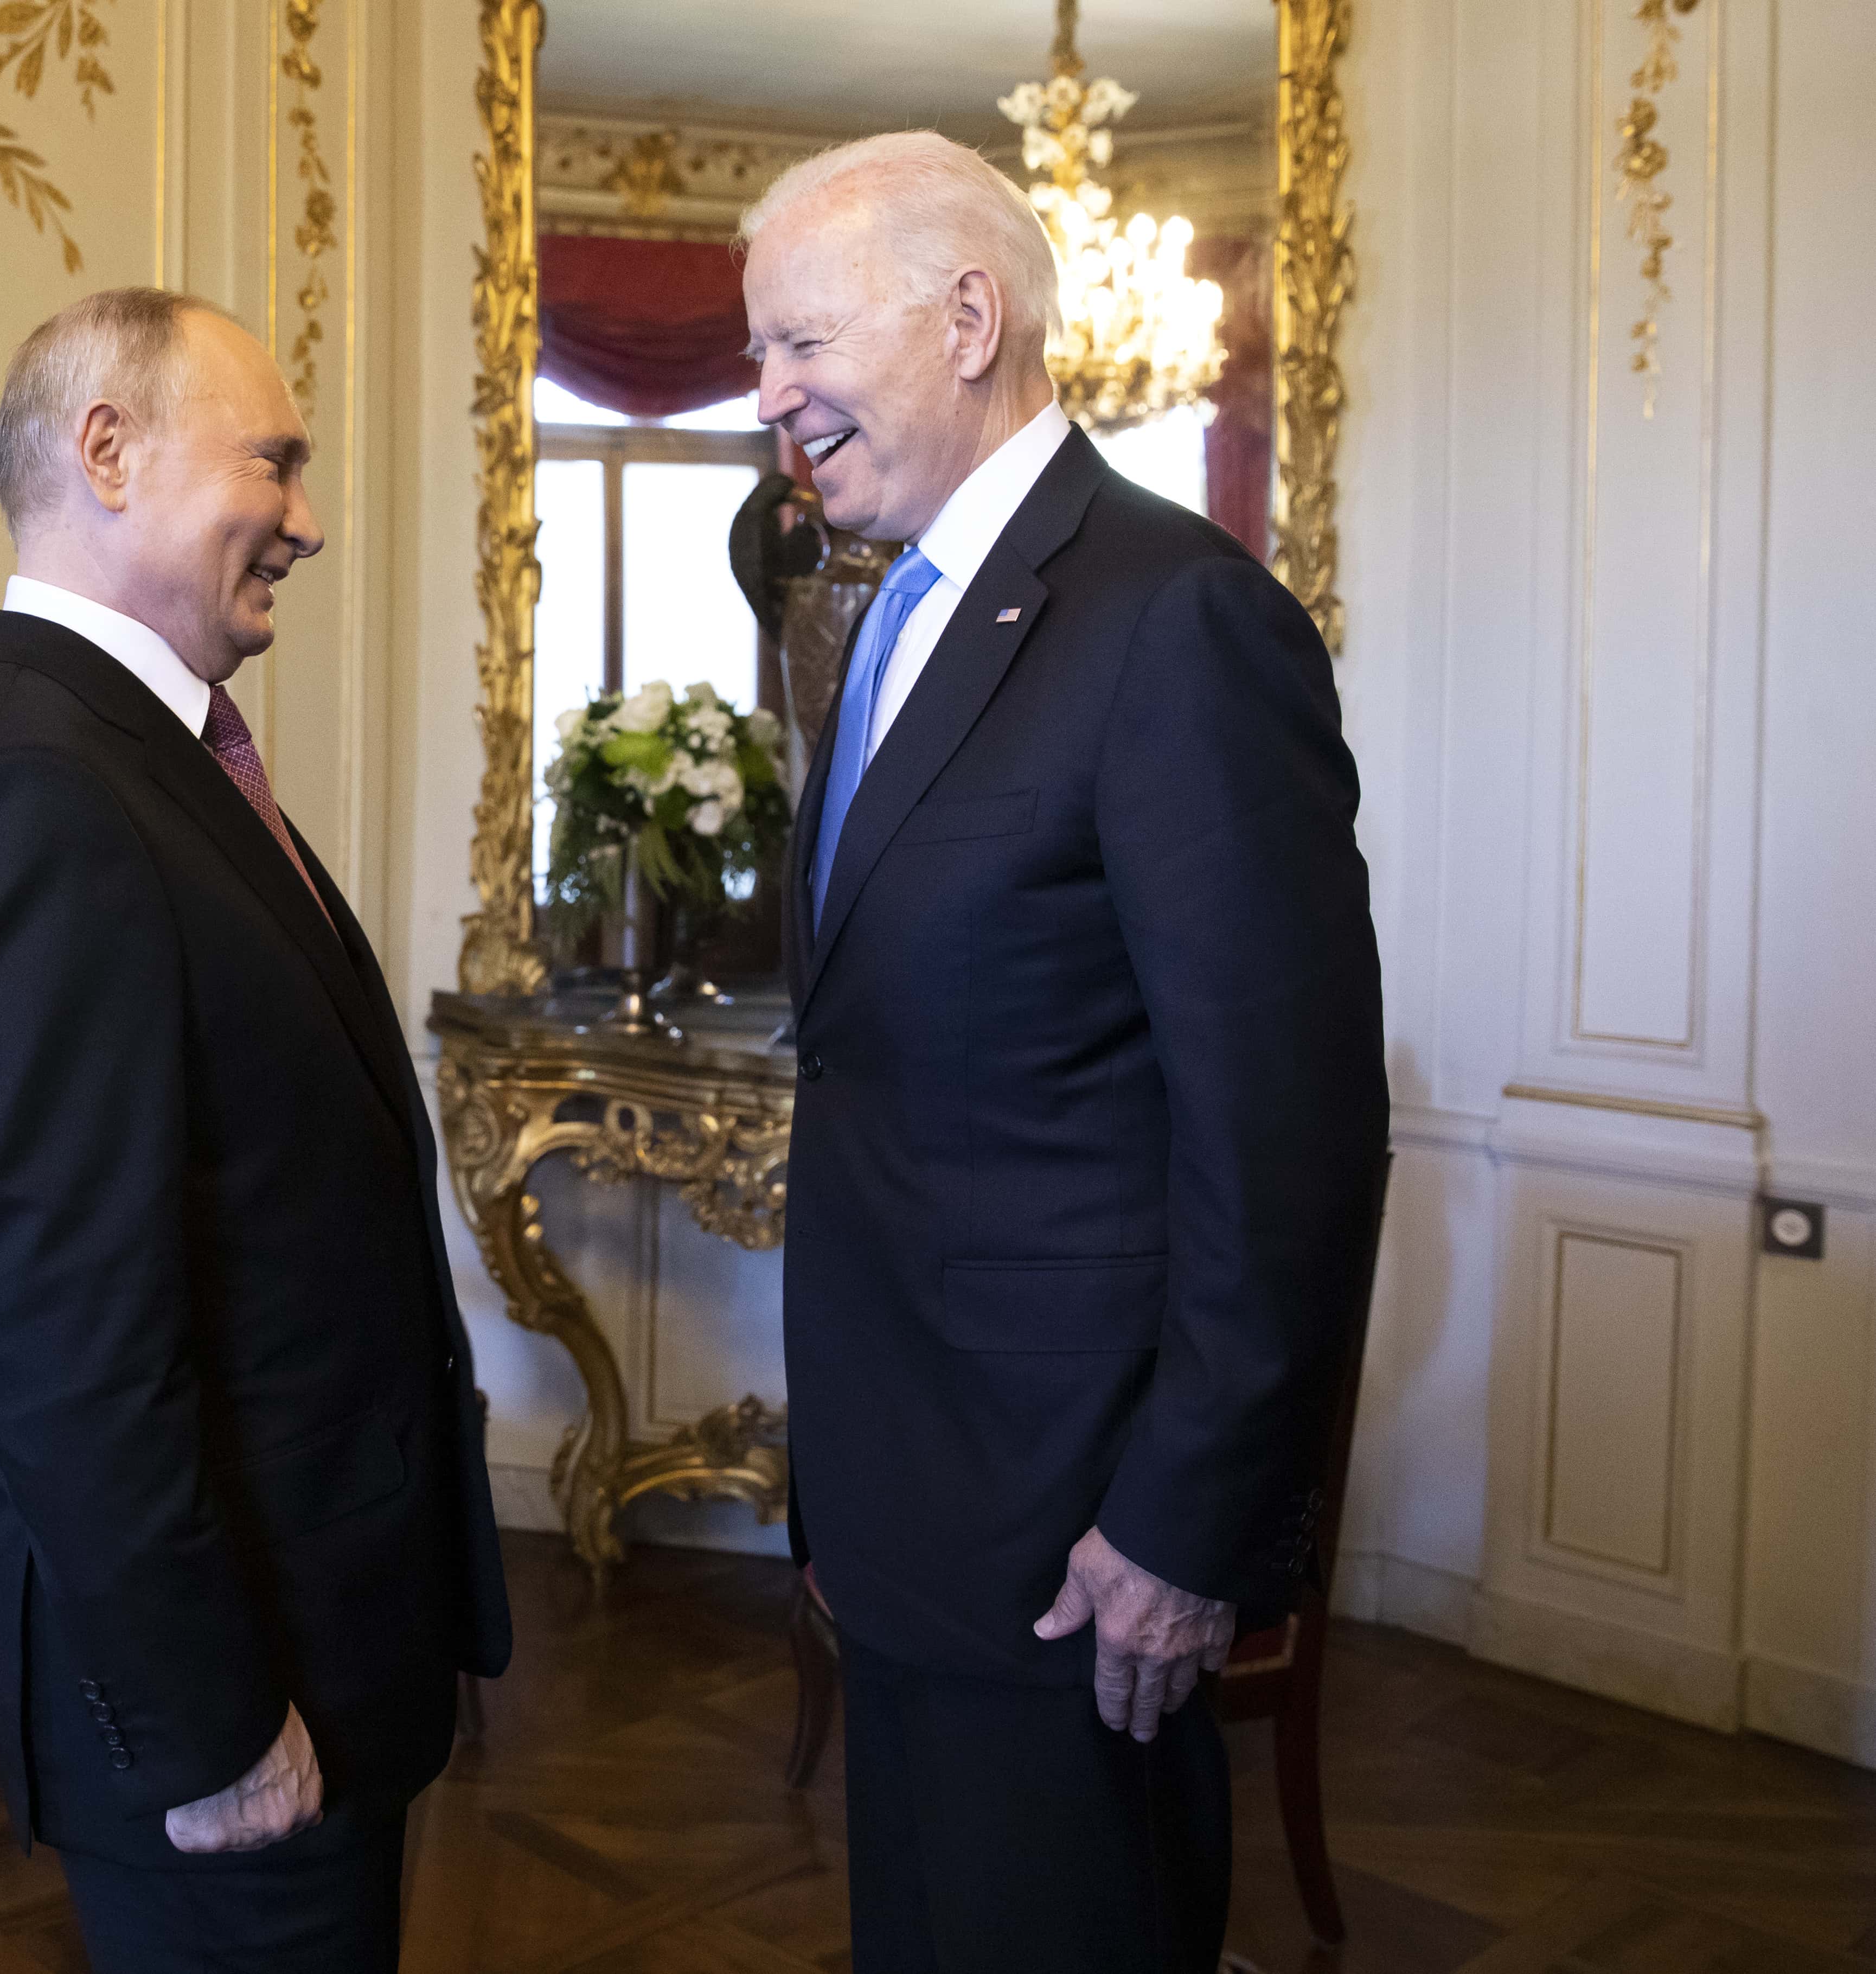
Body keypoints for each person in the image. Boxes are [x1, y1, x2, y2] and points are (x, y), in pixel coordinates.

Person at [745, 133, 1388, 1969]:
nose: (769, 395)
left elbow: (1289, 1133)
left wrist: (1186, 1527)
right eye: (757, 352)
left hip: (1080, 1531)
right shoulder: (897, 610)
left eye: (800, 342)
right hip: (910, 1501)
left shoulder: (1174, 616)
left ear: (967, 320)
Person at [0, 288, 510, 1973]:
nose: (307, 519)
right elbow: (63, 1337)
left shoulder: (141, 760)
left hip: (320, 1635)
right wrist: (211, 1721)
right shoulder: (37, 794)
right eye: (273, 462)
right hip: (231, 1711)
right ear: (107, 451)